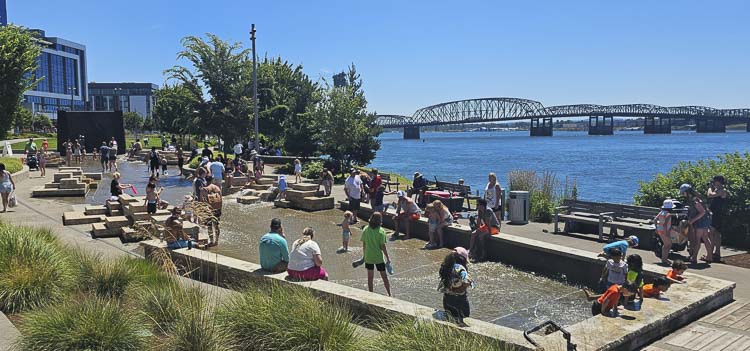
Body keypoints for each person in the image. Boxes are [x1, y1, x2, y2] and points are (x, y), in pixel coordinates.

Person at [438, 247, 473, 327]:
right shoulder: (461, 269)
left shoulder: (445, 267)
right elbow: (466, 282)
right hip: (460, 300)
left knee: (450, 319)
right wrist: (459, 289)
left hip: (447, 299)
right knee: (463, 320)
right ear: (463, 259)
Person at [680, 184, 713, 264]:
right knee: (705, 238)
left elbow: (702, 212)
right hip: (706, 220)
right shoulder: (698, 198)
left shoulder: (694, 200)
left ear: (687, 192)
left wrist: (692, 220)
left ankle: (694, 257)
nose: (682, 194)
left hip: (701, 221)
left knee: (697, 239)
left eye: (683, 193)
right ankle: (709, 257)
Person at [360, 212, 392, 296]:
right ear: (380, 220)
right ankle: (389, 294)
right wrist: (388, 258)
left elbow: (364, 244)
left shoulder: (366, 229)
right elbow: (383, 247)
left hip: (368, 257)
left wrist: (364, 256)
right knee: (384, 277)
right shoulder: (381, 231)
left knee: (370, 277)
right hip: (378, 258)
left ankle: (371, 293)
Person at [469, 198, 500, 263]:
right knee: (473, 234)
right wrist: (477, 230)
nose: (477, 206)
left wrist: (489, 233)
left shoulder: (488, 211)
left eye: (478, 204)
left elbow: (488, 223)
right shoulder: (480, 210)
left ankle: (483, 253)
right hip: (486, 226)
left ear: (482, 205)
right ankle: (471, 251)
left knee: (481, 236)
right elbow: (478, 222)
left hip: (494, 227)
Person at [706, 175, 728, 262]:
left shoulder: (722, 190)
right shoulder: (717, 190)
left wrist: (709, 188)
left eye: (715, 181)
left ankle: (710, 254)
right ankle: (716, 253)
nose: (714, 183)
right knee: (716, 233)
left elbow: (710, 195)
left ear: (719, 182)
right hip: (715, 213)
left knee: (711, 233)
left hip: (716, 214)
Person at [654, 199, 675, 264]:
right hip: (664, 231)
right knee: (668, 244)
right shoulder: (668, 214)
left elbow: (655, 219)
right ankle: (664, 259)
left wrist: (656, 228)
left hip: (660, 230)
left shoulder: (661, 212)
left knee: (666, 244)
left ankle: (664, 258)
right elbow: (665, 224)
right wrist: (667, 233)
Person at [203, 176, 222, 247]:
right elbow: (221, 198)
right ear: (212, 180)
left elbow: (202, 201)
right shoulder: (217, 188)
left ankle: (211, 241)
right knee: (216, 225)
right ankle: (216, 241)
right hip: (217, 209)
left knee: (209, 226)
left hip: (209, 210)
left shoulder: (205, 189)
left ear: (205, 180)